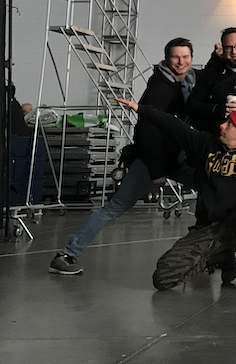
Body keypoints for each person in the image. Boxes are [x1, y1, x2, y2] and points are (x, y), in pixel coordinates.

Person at [115, 97, 236, 291]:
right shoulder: (206, 144)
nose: (222, 125)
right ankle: (221, 257)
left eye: (229, 124)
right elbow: (175, 126)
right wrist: (142, 109)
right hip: (207, 229)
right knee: (163, 278)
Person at [49, 39, 198, 276]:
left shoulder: (187, 82)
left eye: (186, 57)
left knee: (211, 189)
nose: (181, 62)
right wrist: (157, 171)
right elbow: (148, 133)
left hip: (176, 158)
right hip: (152, 161)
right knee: (115, 206)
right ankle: (67, 255)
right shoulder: (160, 89)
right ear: (167, 59)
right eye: (176, 57)